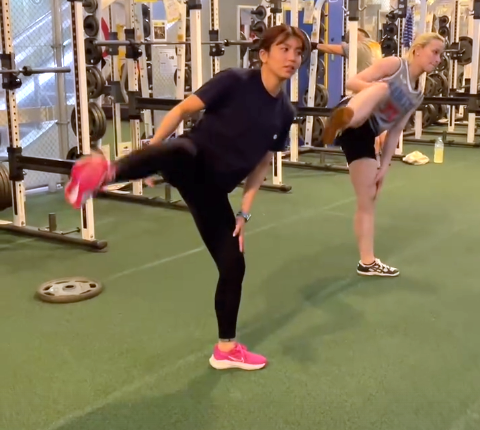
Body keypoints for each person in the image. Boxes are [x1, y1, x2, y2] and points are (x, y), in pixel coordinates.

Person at [64, 24, 307, 371]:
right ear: (264, 54)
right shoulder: (235, 80)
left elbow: (262, 164)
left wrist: (244, 213)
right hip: (191, 159)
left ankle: (226, 349)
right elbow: (181, 111)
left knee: (234, 265)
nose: (293, 58)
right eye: (285, 49)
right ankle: (104, 173)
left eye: (298, 52)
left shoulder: (285, 113)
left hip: (211, 189)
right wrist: (149, 154)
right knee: (178, 150)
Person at [322, 32, 445, 277]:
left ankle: (367, 262)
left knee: (367, 199)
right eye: (435, 52)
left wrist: (384, 167)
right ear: (417, 50)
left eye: (440, 55)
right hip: (353, 109)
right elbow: (353, 82)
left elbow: (396, 130)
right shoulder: (395, 65)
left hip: (363, 135)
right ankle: (343, 121)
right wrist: (381, 90)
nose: (438, 59)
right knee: (381, 87)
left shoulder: (417, 95)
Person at [316, 28, 387, 159]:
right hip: (378, 90)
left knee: (368, 128)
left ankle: (371, 159)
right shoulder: (374, 45)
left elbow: (335, 49)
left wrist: (315, 45)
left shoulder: (359, 48)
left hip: (365, 91)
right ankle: (380, 159)